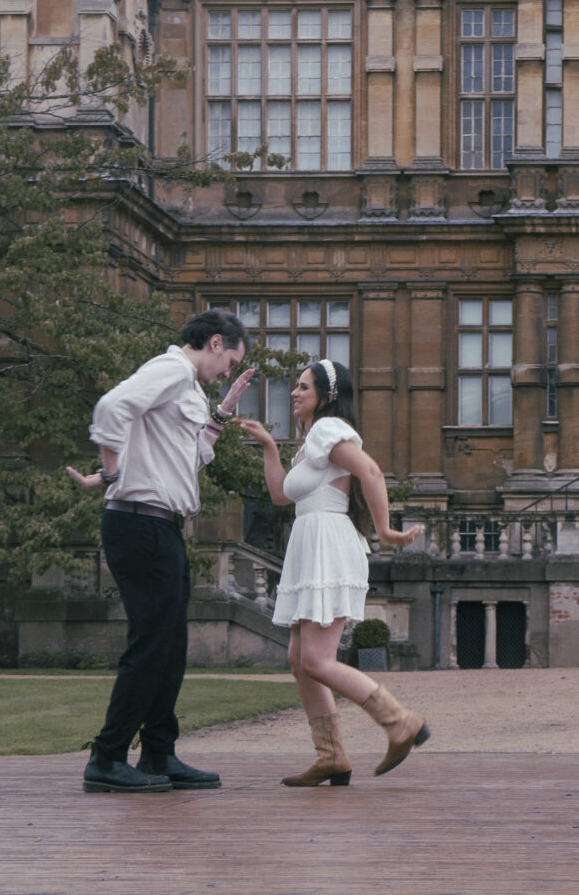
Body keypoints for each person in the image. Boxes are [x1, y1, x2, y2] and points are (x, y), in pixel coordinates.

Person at [67, 309, 254, 794]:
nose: (228, 372)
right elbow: (112, 408)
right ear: (216, 342)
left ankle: (158, 752)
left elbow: (190, 454)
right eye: (231, 362)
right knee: (152, 643)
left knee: (170, 647)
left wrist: (223, 411)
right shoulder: (171, 370)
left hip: (161, 528)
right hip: (140, 523)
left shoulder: (188, 389)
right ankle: (107, 758)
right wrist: (110, 471)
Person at [239, 359, 429, 786]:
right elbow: (280, 494)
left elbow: (371, 471)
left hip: (328, 545)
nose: (294, 393)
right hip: (310, 546)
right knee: (299, 659)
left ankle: (399, 721)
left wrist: (386, 531)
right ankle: (332, 756)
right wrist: (269, 446)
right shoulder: (310, 443)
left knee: (318, 660)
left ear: (326, 396)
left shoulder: (329, 428)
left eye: (303, 387)